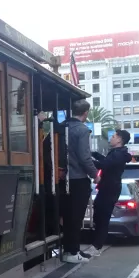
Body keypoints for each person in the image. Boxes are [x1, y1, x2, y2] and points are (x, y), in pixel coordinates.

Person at [60, 99, 97, 263]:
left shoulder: (61, 127)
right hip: (78, 179)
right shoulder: (82, 130)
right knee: (76, 217)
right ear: (85, 113)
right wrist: (95, 174)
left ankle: (71, 249)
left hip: (61, 178)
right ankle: (72, 251)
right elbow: (84, 157)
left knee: (67, 216)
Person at [86, 129, 131, 257]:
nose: (111, 138)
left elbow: (104, 165)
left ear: (119, 140)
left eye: (113, 136)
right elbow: (105, 161)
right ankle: (96, 244)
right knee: (98, 214)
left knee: (103, 217)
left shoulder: (119, 154)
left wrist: (85, 159)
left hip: (110, 189)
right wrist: (93, 153)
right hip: (107, 187)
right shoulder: (117, 153)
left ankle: (97, 246)